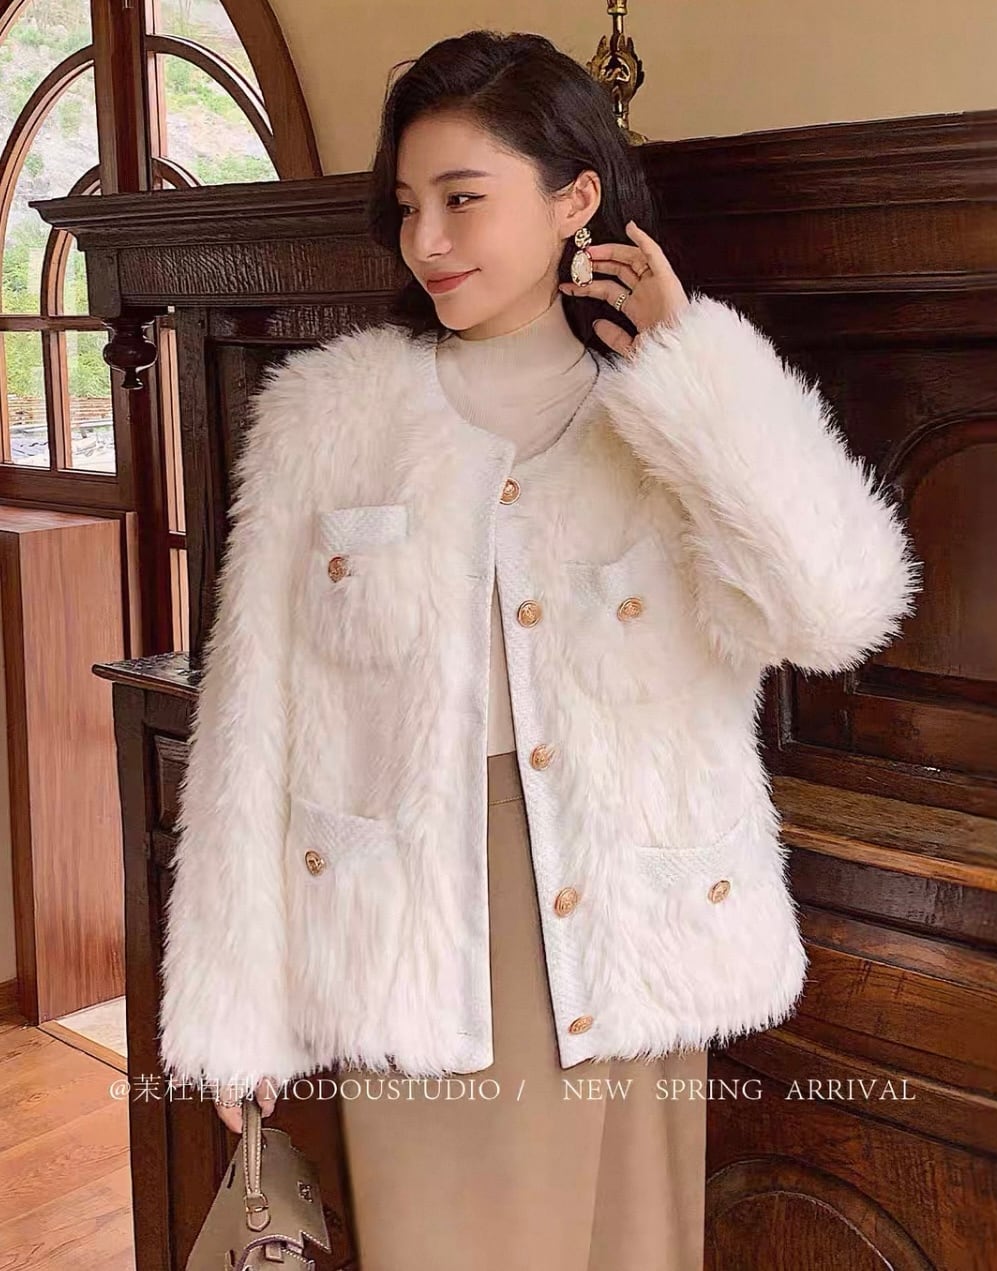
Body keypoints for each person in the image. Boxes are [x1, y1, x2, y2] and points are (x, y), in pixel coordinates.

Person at [158, 29, 922, 1271]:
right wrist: (234, 1010)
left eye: (464, 198)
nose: (427, 239)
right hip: (422, 938)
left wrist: (694, 367)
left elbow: (833, 611)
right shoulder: (329, 417)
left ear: (577, 200)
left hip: (629, 931)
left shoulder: (667, 416)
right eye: (409, 203)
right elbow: (252, 725)